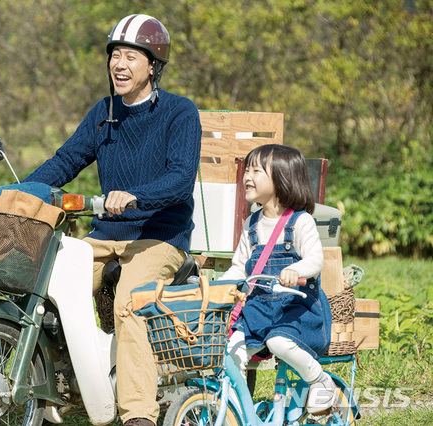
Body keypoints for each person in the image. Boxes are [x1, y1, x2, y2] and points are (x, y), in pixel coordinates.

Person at [22, 14, 202, 426]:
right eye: (114, 56)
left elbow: (179, 179)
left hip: (159, 238)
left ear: (153, 65)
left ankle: (138, 415)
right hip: (106, 235)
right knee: (44, 287)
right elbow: (66, 160)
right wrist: (22, 192)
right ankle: (56, 395)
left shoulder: (180, 113)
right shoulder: (103, 113)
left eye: (130, 57)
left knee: (130, 304)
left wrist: (137, 196)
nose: (119, 64)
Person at [222, 144, 335, 414]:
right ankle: (237, 411)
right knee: (231, 349)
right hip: (259, 308)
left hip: (296, 309)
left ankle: (320, 379)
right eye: (246, 170)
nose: (247, 177)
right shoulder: (252, 223)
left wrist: (298, 271)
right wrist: (220, 286)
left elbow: (315, 260)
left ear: (282, 178)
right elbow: (239, 267)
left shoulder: (300, 221)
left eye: (256, 171)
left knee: (278, 342)